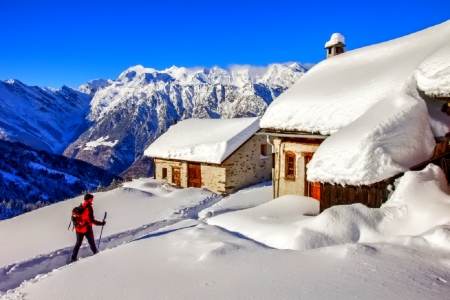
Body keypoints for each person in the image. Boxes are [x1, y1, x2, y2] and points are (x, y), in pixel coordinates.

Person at [71, 193, 106, 262]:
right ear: (89, 199)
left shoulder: (81, 206)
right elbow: (91, 220)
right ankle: (96, 254)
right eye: (92, 198)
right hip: (87, 228)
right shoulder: (89, 207)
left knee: (78, 243)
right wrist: (100, 223)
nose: (92, 199)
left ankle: (73, 258)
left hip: (78, 228)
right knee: (91, 242)